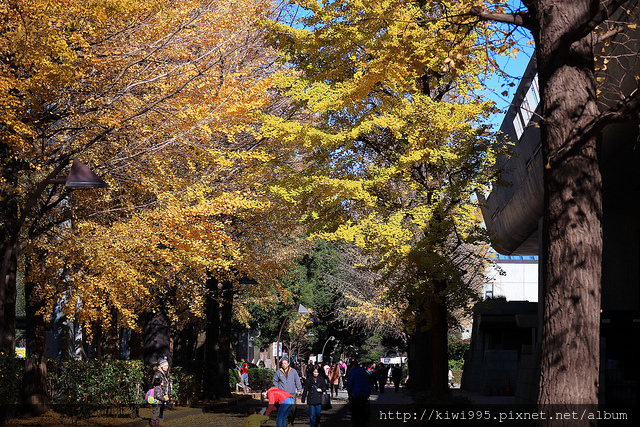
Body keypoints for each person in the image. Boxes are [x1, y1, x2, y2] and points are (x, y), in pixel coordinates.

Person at [272, 356, 303, 427]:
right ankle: (284, 423)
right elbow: (275, 381)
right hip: (282, 394)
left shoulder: (293, 371)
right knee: (283, 409)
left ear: (288, 363)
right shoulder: (278, 371)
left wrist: (299, 390)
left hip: (291, 393)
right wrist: (276, 389)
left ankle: (291, 420)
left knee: (293, 409)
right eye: (282, 364)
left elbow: (297, 381)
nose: (284, 365)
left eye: (285, 363)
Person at [346, 359, 370, 427]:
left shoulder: (352, 373)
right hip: (365, 397)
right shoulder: (365, 373)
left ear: (352, 366)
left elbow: (349, 385)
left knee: (355, 416)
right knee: (364, 415)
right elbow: (369, 383)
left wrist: (350, 393)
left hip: (355, 396)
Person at [151, 357, 172, 424]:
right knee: (158, 409)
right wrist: (160, 384)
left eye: (167, 366)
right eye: (165, 366)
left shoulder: (166, 373)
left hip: (164, 394)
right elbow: (154, 382)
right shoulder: (158, 373)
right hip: (159, 394)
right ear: (162, 366)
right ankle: (157, 421)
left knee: (162, 408)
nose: (166, 367)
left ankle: (159, 421)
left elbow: (168, 383)